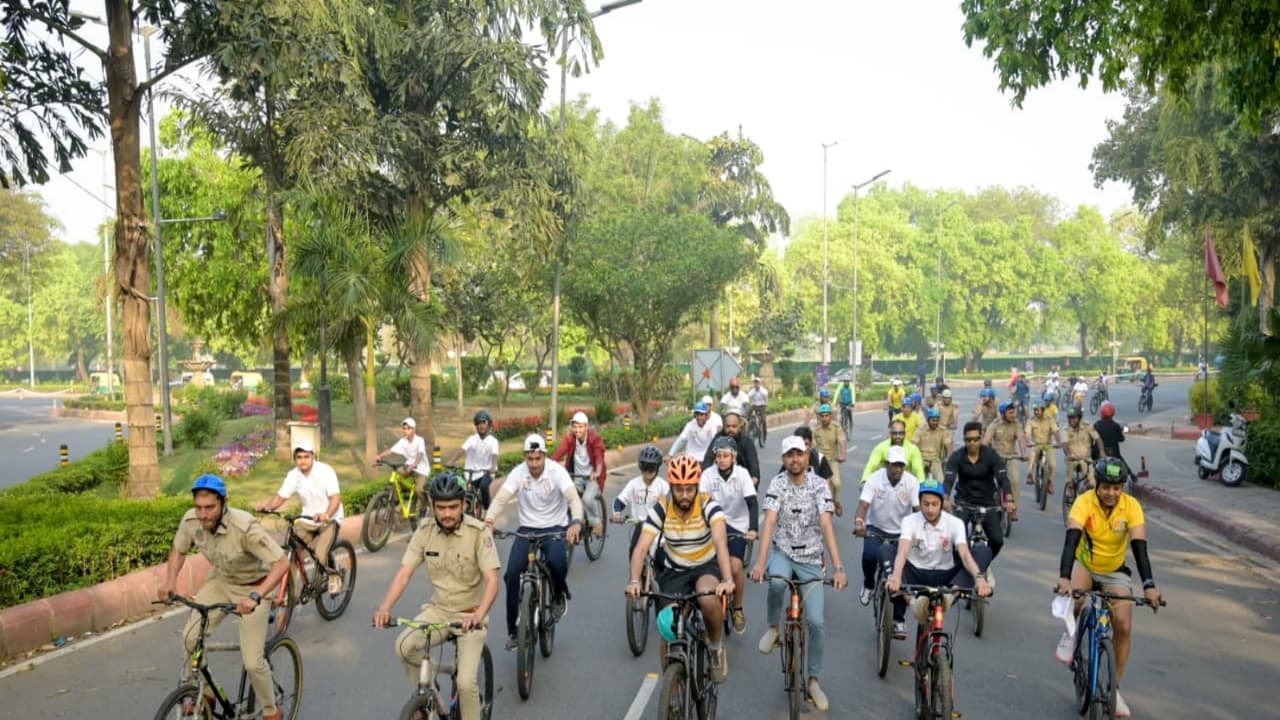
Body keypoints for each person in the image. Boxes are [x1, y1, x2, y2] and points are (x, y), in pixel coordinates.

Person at [160, 475, 291, 720]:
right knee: (190, 639)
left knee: (252, 661)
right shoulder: (191, 521)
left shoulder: (244, 527)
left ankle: (272, 711)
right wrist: (169, 581)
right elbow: (178, 550)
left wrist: (256, 596)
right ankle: (206, 693)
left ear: (224, 503)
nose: (203, 514)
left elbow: (282, 563)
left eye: (210, 508)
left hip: (254, 586)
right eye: (199, 507)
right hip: (220, 582)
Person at [374, 472, 500, 720]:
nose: (447, 513)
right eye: (440, 507)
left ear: (463, 504)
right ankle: (429, 691)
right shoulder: (425, 531)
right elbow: (405, 572)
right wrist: (385, 607)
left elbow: (493, 580)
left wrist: (478, 615)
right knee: (403, 646)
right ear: (432, 506)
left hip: (470, 617)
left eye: (453, 507)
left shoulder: (478, 532)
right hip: (439, 610)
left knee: (465, 684)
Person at [1055, 458, 1163, 719]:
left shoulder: (1132, 507)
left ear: (1122, 487)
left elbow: (1139, 549)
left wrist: (1149, 586)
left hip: (1115, 571)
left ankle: (1114, 690)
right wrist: (1065, 578)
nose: (1111, 493)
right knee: (1077, 601)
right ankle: (1072, 635)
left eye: (1117, 488)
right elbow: (1071, 541)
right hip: (1086, 566)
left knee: (1123, 626)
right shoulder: (1083, 503)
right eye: (1106, 487)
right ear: (1097, 485)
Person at [750, 436, 848, 712]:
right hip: (782, 554)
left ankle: (814, 680)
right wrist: (759, 563)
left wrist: (838, 566)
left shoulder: (819, 485)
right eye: (789, 455)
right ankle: (773, 628)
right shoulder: (777, 483)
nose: (795, 459)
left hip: (811, 561)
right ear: (783, 460)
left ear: (807, 457)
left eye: (799, 454)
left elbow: (827, 525)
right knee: (778, 583)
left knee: (816, 622)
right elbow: (769, 522)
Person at [628, 455, 734, 683]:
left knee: (707, 598)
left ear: (696, 486)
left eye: (689, 489)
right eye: (678, 490)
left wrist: (727, 579)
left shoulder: (708, 505)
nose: (684, 495)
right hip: (675, 571)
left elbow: (720, 542)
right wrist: (635, 581)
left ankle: (715, 648)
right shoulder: (662, 508)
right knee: (668, 626)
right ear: (671, 487)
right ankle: (672, 686)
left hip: (705, 566)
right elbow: (641, 548)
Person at [485, 434, 583, 649]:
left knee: (557, 562)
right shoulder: (519, 473)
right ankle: (513, 631)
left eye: (538, 459)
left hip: (555, 527)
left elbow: (573, 498)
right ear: (525, 457)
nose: (534, 464)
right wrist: (489, 520)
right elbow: (501, 499)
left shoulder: (557, 472)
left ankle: (558, 595)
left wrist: (575, 521)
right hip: (527, 529)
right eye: (530, 459)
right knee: (511, 575)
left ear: (544, 457)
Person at [885, 478, 993, 638]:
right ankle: (914, 604)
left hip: (946, 577)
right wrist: (895, 576)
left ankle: (949, 597)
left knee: (983, 551)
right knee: (885, 550)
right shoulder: (910, 521)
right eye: (925, 504)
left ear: (942, 504)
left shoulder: (955, 523)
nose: (930, 509)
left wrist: (979, 578)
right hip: (916, 573)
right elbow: (903, 550)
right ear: (919, 503)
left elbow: (964, 553)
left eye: (934, 504)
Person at [254, 438, 344, 587]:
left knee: (321, 555)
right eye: (299, 457)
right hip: (307, 519)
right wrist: (267, 507)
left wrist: (326, 515)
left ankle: (335, 575)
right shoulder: (293, 475)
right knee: (291, 553)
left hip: (330, 519)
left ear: (313, 456)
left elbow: (335, 498)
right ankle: (291, 592)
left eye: (306, 456)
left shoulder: (325, 471)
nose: (302, 461)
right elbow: (281, 497)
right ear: (295, 459)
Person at [854, 445, 920, 636]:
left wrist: (921, 532)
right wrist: (859, 523)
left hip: (902, 532)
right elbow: (864, 504)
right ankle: (868, 584)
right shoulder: (875, 479)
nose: (897, 469)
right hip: (876, 527)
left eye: (900, 465)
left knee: (900, 574)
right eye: (893, 465)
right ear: (886, 464)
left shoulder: (912, 482)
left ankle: (899, 619)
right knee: (868, 556)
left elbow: (917, 510)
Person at [700, 437, 759, 634]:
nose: (722, 459)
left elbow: (752, 503)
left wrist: (752, 529)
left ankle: (738, 608)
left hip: (737, 525)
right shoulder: (708, 475)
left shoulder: (742, 474)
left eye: (726, 456)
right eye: (718, 456)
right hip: (713, 523)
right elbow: (700, 502)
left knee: (734, 567)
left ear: (733, 457)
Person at [944, 422, 1015, 559]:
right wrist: (945, 498)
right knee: (957, 541)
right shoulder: (957, 457)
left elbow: (1003, 478)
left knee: (997, 540)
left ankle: (985, 562)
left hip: (988, 503)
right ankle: (961, 567)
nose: (972, 443)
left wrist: (1009, 499)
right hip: (964, 502)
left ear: (981, 438)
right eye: (968, 440)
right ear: (964, 440)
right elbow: (948, 480)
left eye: (976, 439)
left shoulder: (991, 455)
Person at [551, 411, 607, 537]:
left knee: (587, 499)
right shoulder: (570, 438)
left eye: (580, 427)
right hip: (576, 476)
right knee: (567, 498)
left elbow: (599, 457)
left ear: (586, 427)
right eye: (575, 427)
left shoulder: (595, 439)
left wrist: (597, 472)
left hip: (593, 477)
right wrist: (547, 465)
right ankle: (574, 520)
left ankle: (597, 523)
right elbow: (559, 453)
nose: (577, 430)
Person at [612, 446, 670, 558]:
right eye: (645, 467)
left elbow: (672, 505)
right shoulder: (634, 484)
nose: (648, 471)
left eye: (651, 467)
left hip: (658, 529)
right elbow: (620, 500)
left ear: (657, 467)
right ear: (640, 466)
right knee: (633, 552)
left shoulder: (663, 486)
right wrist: (617, 513)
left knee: (662, 558)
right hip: (639, 526)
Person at [445, 410, 500, 511]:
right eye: (479, 423)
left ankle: (487, 509)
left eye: (484, 423)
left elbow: (494, 455)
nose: (481, 426)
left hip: (486, 472)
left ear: (488, 424)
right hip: (470, 472)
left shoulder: (493, 441)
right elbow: (462, 450)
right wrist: (452, 461)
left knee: (484, 487)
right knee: (463, 491)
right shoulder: (472, 439)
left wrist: (493, 466)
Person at [983, 402, 1028, 517]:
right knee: (986, 479)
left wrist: (1023, 454)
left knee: (1016, 481)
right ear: (1003, 414)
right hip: (996, 457)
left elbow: (1021, 440)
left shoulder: (1017, 424)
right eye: (1010, 413)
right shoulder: (995, 424)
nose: (1013, 415)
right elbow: (986, 440)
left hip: (1011, 456)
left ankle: (1013, 508)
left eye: (1014, 412)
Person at [701, 410, 760, 487]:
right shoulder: (718, 438)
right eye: (728, 426)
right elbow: (708, 459)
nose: (730, 429)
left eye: (734, 426)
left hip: (742, 482)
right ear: (723, 426)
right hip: (720, 480)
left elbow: (753, 463)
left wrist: (753, 480)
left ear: (739, 426)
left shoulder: (746, 441)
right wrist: (705, 478)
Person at [860, 419, 927, 485]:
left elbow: (918, 470)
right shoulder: (880, 447)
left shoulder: (913, 449)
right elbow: (871, 465)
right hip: (884, 485)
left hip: (905, 486)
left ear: (904, 434)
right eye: (895, 433)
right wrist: (864, 480)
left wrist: (922, 485)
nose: (898, 436)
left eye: (901, 433)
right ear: (890, 434)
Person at [376, 417, 431, 494]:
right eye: (404, 428)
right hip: (408, 466)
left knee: (419, 490)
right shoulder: (403, 441)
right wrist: (380, 456)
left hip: (422, 469)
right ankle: (395, 501)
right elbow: (391, 451)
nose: (406, 431)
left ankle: (425, 504)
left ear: (414, 429)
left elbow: (420, 454)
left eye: (408, 428)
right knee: (396, 477)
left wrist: (414, 464)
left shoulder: (419, 440)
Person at [810, 403, 847, 516]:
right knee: (816, 486)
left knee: (836, 484)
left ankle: (836, 502)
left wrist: (843, 455)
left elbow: (842, 442)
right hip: (820, 461)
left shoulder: (836, 428)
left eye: (827, 415)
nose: (824, 418)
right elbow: (811, 445)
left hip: (832, 460)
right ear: (819, 417)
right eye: (822, 416)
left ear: (830, 416)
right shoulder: (815, 429)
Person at [1062, 406, 1104, 491]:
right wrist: (1068, 454)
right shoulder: (1066, 429)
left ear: (1079, 417)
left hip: (1086, 459)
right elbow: (1064, 444)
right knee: (1070, 475)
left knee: (1092, 482)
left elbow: (1098, 439)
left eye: (1074, 418)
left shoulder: (1087, 427)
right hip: (1072, 459)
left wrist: (1102, 452)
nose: (1071, 420)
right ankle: (1070, 488)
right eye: (1069, 418)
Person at [1025, 402, 1062, 494]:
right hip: (1036, 445)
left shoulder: (1050, 419)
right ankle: (1030, 475)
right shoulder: (1031, 420)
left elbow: (1056, 431)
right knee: (1032, 457)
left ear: (1043, 410)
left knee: (1052, 465)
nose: (1036, 412)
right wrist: (1028, 441)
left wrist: (1058, 442)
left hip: (1048, 445)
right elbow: (1027, 432)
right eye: (1034, 410)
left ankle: (1049, 482)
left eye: (1038, 410)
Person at [1092, 402, 1135, 482]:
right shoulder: (1116, 426)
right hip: (1114, 453)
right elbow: (1121, 439)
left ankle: (1088, 479)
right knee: (1122, 462)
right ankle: (1132, 475)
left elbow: (1091, 438)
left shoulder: (1097, 425)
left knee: (1089, 462)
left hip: (1098, 453)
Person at [913, 407, 952, 481]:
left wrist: (948, 458)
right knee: (917, 483)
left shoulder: (942, 430)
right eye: (933, 420)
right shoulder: (920, 429)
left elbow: (948, 445)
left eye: (937, 420)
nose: (935, 423)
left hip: (936, 461)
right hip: (921, 459)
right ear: (928, 419)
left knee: (940, 482)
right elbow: (914, 444)